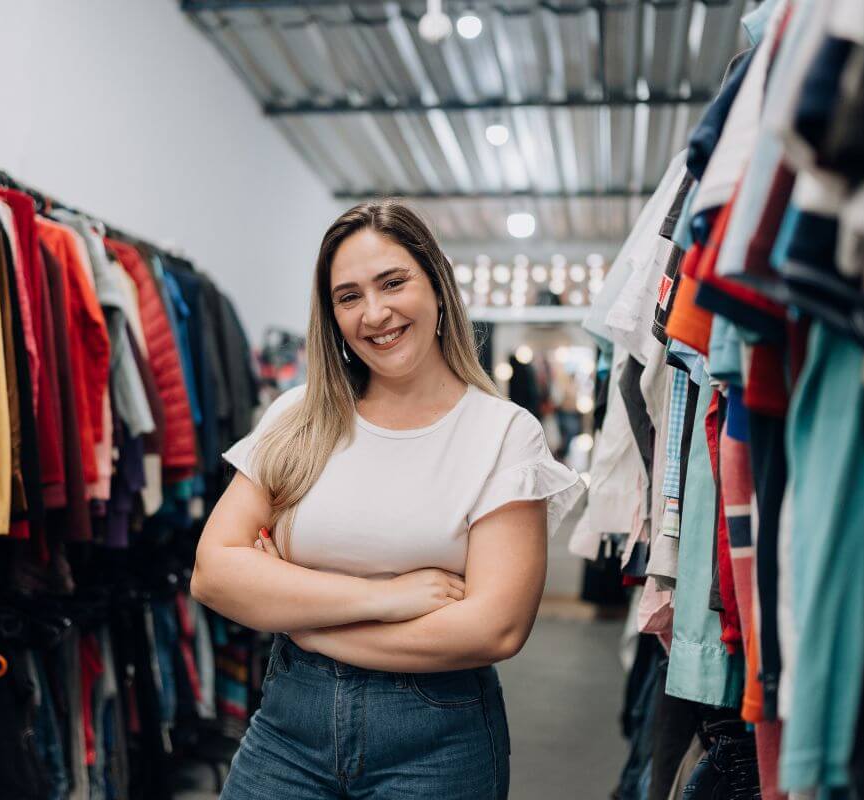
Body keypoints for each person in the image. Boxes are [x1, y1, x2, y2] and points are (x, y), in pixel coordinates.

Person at [191, 200, 584, 799]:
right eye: (348, 297)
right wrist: (388, 596)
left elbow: (494, 629)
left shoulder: (503, 433)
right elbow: (214, 572)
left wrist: (306, 627)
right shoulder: (297, 417)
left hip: (435, 738)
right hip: (288, 726)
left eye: (393, 282)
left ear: (437, 285)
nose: (374, 313)